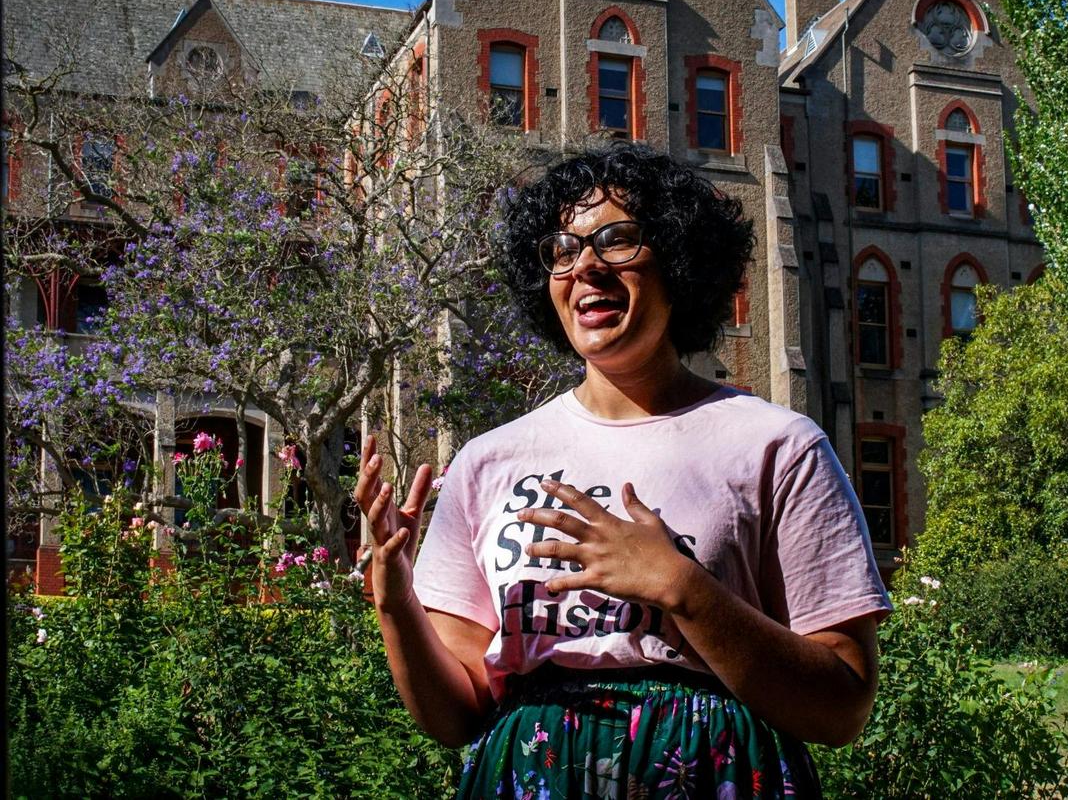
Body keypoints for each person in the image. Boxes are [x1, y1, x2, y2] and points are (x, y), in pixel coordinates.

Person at [354, 144, 892, 799]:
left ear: (678, 258)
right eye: (563, 248)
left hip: (713, 779)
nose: (585, 266)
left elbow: (843, 706)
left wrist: (680, 585)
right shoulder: (487, 462)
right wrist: (396, 601)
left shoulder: (777, 446)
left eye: (617, 240)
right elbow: (456, 715)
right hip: (534, 778)